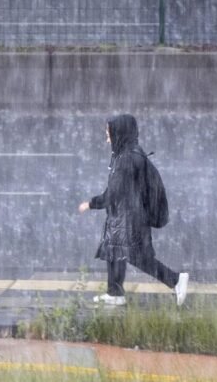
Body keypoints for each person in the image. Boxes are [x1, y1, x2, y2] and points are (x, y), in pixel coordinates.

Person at [78, 114, 188, 306]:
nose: (107, 137)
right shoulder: (128, 154)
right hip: (125, 216)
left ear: (119, 133)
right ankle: (115, 293)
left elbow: (113, 192)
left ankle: (176, 280)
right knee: (114, 251)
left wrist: (91, 204)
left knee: (139, 258)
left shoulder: (127, 159)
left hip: (130, 219)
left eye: (109, 133)